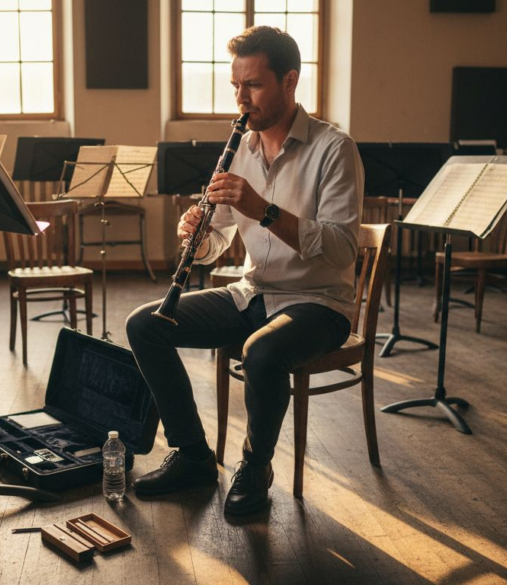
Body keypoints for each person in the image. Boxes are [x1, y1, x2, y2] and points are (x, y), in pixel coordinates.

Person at [126, 26, 363, 515]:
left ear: (289, 81)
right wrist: (197, 236)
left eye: (252, 85)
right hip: (253, 293)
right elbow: (216, 243)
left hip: (320, 303)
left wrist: (264, 210)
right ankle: (193, 455)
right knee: (144, 325)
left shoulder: (334, 149)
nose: (240, 99)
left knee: (262, 352)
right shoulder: (241, 148)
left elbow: (342, 251)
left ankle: (255, 467)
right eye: (236, 85)